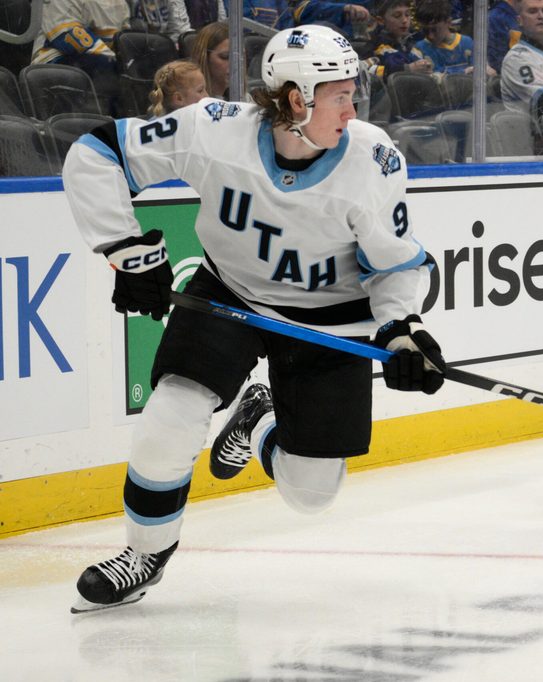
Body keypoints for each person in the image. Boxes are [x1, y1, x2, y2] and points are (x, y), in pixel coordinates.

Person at [62, 24, 445, 612]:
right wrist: (126, 249)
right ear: (296, 98)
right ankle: (144, 555)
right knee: (171, 416)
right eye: (339, 94)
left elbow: (395, 265)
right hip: (231, 294)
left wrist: (402, 328)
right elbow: (95, 153)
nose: (353, 105)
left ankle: (258, 421)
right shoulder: (213, 129)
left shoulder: (373, 159)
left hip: (331, 319)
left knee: (311, 493)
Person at [414, 0, 485, 75]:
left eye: (435, 30)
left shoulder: (467, 43)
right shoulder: (419, 49)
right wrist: (464, 72)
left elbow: (481, 70)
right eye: (425, 31)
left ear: (448, 22)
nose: (430, 36)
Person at [367, 0, 433, 79]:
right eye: (397, 16)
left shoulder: (413, 48)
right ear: (381, 20)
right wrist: (407, 69)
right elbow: (367, 71)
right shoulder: (374, 46)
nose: (404, 20)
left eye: (407, 15)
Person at [191, 21, 230, 99]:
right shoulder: (190, 101)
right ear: (203, 57)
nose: (235, 64)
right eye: (225, 57)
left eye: (240, 57)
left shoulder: (246, 98)